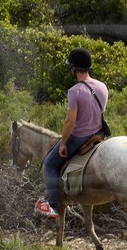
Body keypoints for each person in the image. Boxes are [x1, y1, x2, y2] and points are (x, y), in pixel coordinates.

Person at [35, 48, 109, 218]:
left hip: (80, 138)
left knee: (50, 163)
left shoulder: (74, 91)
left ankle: (53, 206)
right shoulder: (102, 86)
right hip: (99, 135)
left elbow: (70, 121)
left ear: (74, 69)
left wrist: (62, 143)